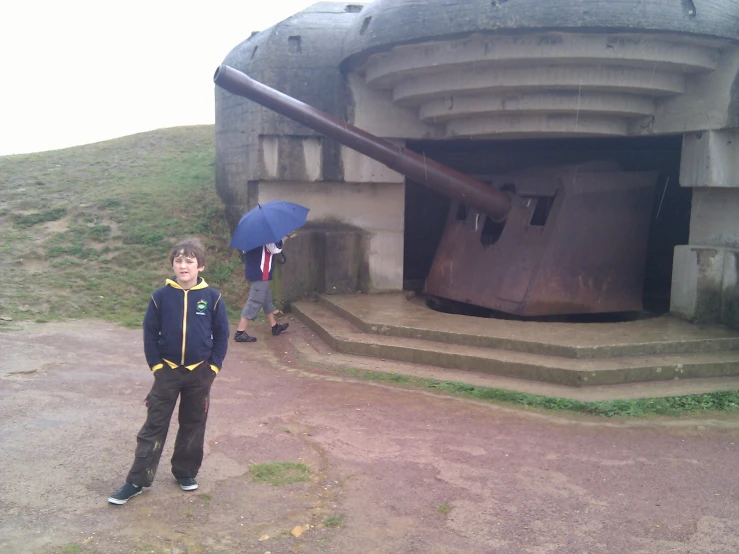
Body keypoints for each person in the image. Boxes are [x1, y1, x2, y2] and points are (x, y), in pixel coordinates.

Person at [108, 238, 229, 505]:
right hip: (168, 373)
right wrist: (157, 367)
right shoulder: (160, 297)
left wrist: (213, 367)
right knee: (154, 426)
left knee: (194, 424)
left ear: (201, 266)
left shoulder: (213, 297)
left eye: (189, 260)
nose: (183, 265)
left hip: (200, 374)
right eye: (178, 260)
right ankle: (137, 480)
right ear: (173, 265)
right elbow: (149, 334)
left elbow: (222, 335)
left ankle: (185, 472)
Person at [234, 239, 289, 342]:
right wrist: (281, 240)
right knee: (255, 301)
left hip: (254, 271)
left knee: (266, 298)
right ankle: (240, 332)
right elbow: (275, 250)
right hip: (261, 272)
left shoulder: (249, 237)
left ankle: (274, 326)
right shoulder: (266, 237)